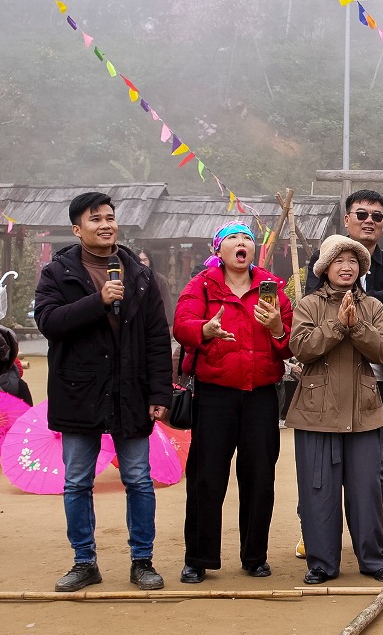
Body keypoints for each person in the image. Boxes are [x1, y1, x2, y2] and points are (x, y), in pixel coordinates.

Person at [34, 191, 172, 593]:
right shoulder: (57, 273)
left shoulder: (140, 275)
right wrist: (98, 301)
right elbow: (49, 322)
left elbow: (156, 338)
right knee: (77, 481)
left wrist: (159, 393)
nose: (105, 225)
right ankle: (84, 562)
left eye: (109, 217)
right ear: (77, 230)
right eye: (95, 219)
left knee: (139, 479)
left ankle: (142, 561)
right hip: (78, 390)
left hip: (131, 391)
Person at [172, 222, 291, 584]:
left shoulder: (272, 287)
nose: (242, 243)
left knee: (260, 477)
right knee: (206, 477)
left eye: (247, 239)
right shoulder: (202, 285)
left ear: (254, 250)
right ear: (219, 250)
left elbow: (290, 345)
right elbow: (182, 325)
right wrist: (204, 330)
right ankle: (198, 558)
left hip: (261, 395)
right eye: (233, 238)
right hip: (214, 395)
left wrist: (277, 328)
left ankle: (255, 556)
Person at [307, 190, 383, 557]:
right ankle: (316, 534)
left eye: (377, 216)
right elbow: (315, 303)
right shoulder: (319, 259)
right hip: (328, 379)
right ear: (347, 219)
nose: (370, 221)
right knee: (323, 466)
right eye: (362, 214)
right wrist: (374, 297)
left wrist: (354, 298)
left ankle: (369, 536)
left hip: (378, 380)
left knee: (374, 465)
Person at [287, 235, 383, 585]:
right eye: (339, 261)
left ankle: (373, 559)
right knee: (318, 491)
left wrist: (357, 326)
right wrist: (337, 325)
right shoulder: (308, 304)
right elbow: (301, 348)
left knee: (367, 490)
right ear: (325, 268)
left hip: (363, 410)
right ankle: (322, 563)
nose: (347, 267)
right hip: (316, 411)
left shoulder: (373, 307)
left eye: (353, 261)